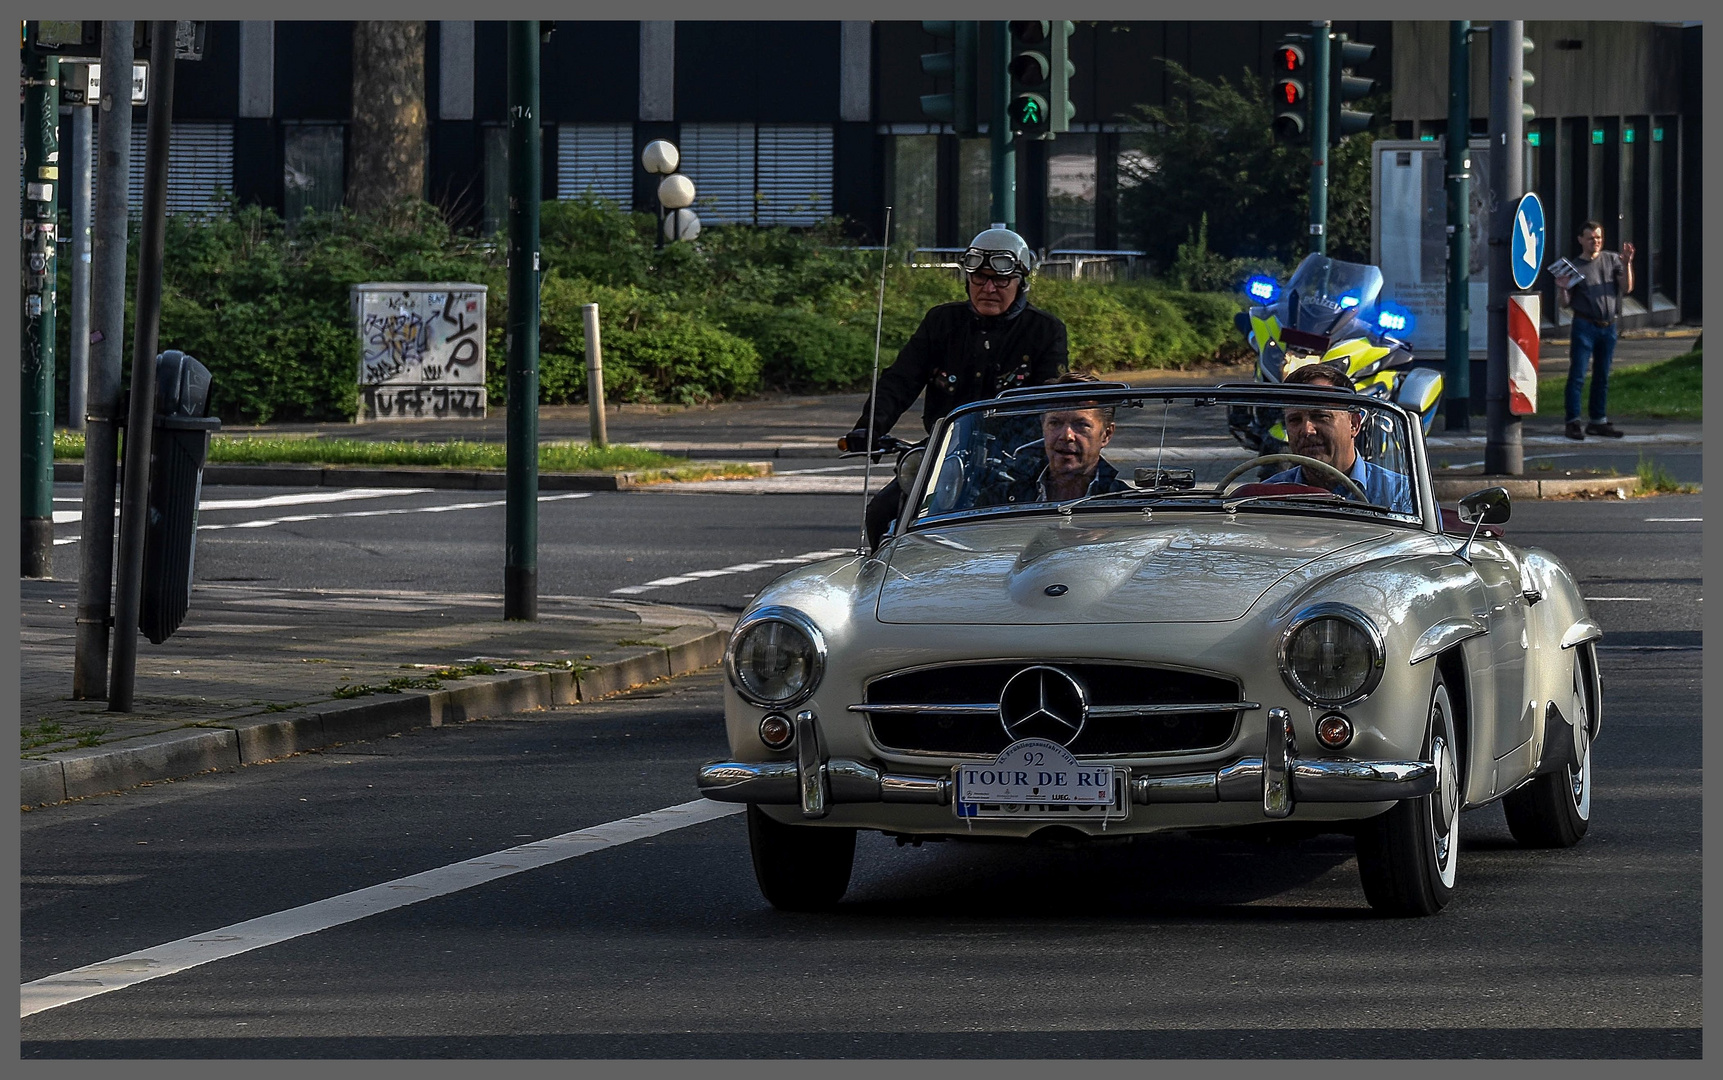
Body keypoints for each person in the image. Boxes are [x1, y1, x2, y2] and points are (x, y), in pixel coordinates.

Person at [842, 226, 1070, 548]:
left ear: (1021, 283)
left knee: (1038, 526)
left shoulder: (1044, 330)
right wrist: (869, 428)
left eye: (1000, 280)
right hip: (947, 452)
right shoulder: (941, 322)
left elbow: (1050, 397)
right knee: (882, 512)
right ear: (967, 280)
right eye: (979, 278)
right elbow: (901, 379)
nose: (989, 288)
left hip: (1017, 456)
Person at [1260, 362, 1413, 513]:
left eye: (1321, 416)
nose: (1307, 430)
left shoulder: (1400, 494)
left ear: (1353, 424)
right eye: (1294, 420)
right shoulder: (1270, 496)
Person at [980, 372, 1130, 507]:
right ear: (1043, 427)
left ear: (1106, 434)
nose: (1066, 436)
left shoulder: (1127, 505)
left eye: (1081, 425)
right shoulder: (999, 500)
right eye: (1055, 423)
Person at [1555, 221, 1634, 440]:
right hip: (1584, 325)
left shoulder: (1611, 259)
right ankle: (1573, 421)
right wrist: (1562, 289)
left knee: (1602, 375)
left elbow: (1626, 287)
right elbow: (1564, 303)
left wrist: (1627, 264)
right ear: (1581, 240)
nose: (1595, 242)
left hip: (1608, 325)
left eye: (1598, 238)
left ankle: (1598, 420)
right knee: (1578, 374)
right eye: (1591, 238)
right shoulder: (1574, 266)